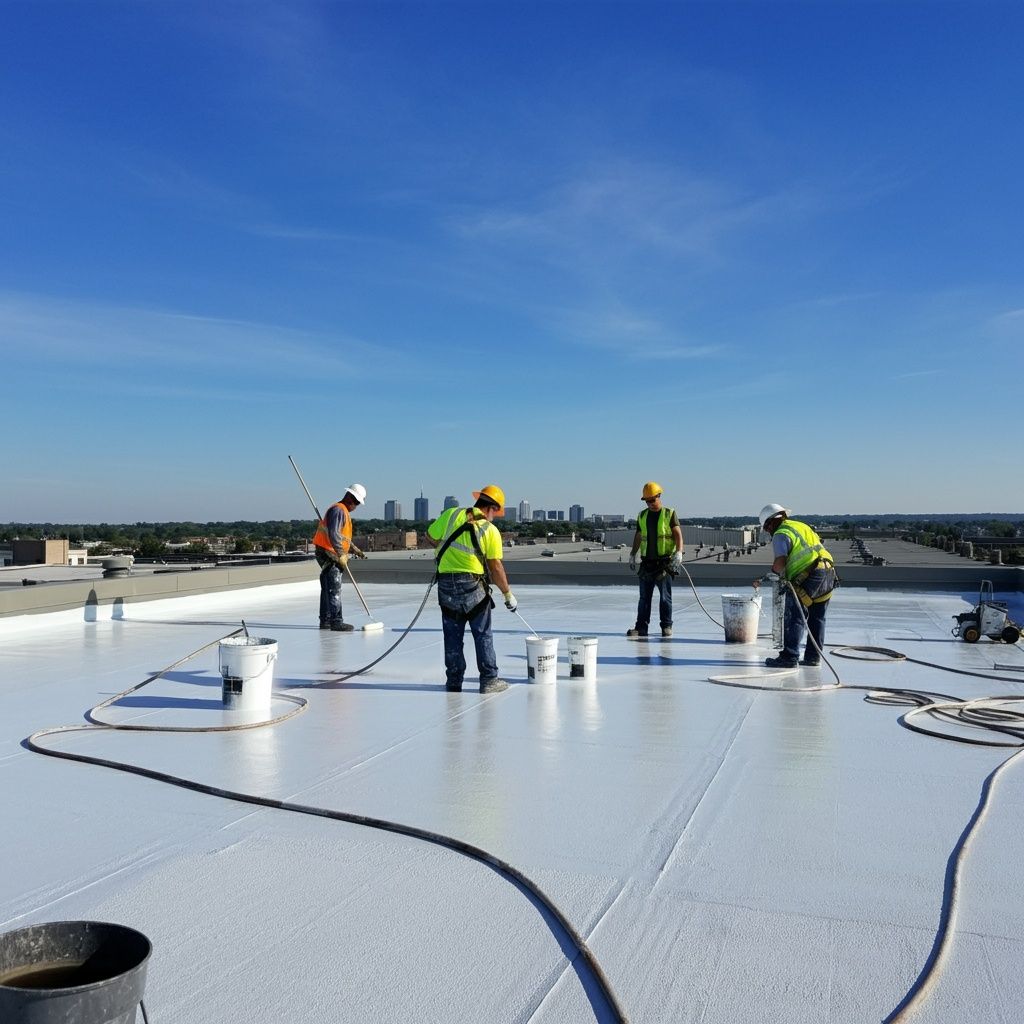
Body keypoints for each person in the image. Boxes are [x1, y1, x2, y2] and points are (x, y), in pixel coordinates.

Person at [427, 485, 517, 694]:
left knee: (452, 635)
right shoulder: (490, 531)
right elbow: (495, 567)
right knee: (482, 634)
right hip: (473, 586)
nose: (496, 516)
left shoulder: (451, 514)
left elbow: (430, 535)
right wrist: (507, 594)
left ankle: (454, 681)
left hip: (446, 584)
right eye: (497, 511)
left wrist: (443, 550)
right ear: (491, 507)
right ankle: (489, 680)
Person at [757, 503, 837, 667]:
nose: (767, 532)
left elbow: (780, 562)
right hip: (828, 571)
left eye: (766, 528)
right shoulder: (801, 525)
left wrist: (773, 571)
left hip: (808, 575)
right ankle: (813, 658)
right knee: (818, 618)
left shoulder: (781, 534)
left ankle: (789, 657)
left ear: (771, 523)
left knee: (794, 616)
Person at [626, 481, 684, 638]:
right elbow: (638, 535)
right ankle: (641, 628)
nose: (650, 503)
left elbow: (677, 533)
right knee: (644, 598)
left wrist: (679, 552)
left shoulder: (669, 513)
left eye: (652, 500)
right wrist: (633, 554)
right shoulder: (642, 516)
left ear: (659, 496)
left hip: (664, 563)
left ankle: (666, 626)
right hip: (647, 563)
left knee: (665, 598)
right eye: (647, 501)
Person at [312, 484, 367, 631]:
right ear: (350, 497)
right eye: (355, 502)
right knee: (334, 588)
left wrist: (354, 549)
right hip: (329, 553)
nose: (355, 506)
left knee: (327, 587)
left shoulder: (341, 511)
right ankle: (336, 621)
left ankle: (325, 620)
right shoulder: (339, 510)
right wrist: (342, 554)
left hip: (328, 551)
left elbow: (342, 536)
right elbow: (334, 535)